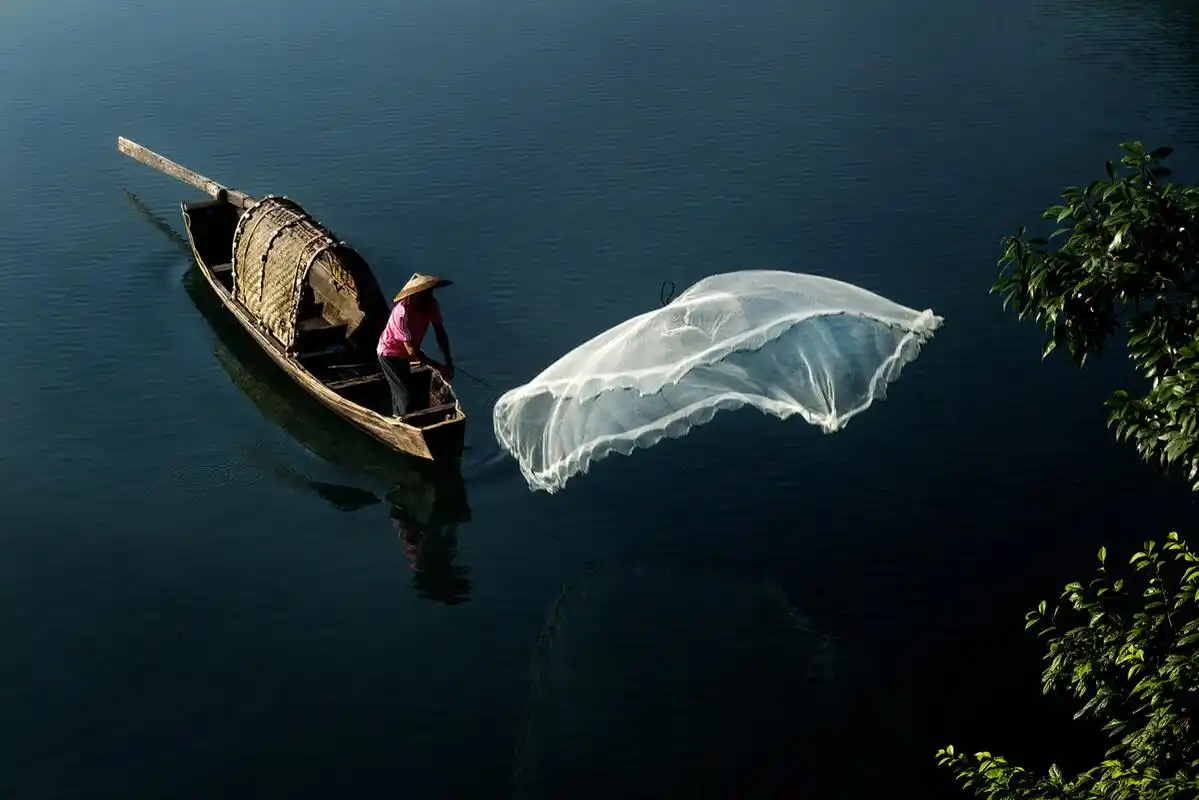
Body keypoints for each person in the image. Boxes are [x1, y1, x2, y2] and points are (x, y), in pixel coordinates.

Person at [377, 272, 455, 417]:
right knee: (405, 396)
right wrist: (437, 366)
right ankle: (402, 421)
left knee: (404, 390)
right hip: (390, 353)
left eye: (430, 292)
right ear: (413, 295)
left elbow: (440, 333)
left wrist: (448, 360)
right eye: (424, 294)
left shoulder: (431, 304)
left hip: (407, 354)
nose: (429, 296)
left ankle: (399, 415)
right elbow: (412, 351)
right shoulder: (402, 312)